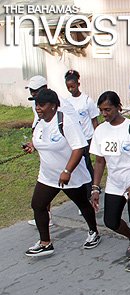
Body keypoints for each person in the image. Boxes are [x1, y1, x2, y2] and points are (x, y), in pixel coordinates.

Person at [23, 89, 100, 256]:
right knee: (37, 205)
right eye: (36, 105)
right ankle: (45, 243)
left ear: (53, 106)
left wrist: (67, 171)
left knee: (82, 203)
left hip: (70, 176)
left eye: (41, 105)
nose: (38, 108)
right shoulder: (39, 122)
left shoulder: (66, 122)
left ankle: (94, 231)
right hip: (48, 175)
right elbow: (42, 141)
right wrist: (32, 145)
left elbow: (79, 148)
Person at [90, 91, 130, 272]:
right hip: (114, 183)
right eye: (101, 110)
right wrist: (95, 188)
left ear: (119, 107)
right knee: (110, 221)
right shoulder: (100, 130)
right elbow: (100, 161)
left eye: (108, 109)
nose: (104, 114)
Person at [25, 75, 79, 226]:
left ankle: (91, 222)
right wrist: (35, 143)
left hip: (68, 153)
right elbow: (39, 125)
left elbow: (74, 130)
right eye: (31, 91)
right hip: (49, 154)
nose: (33, 95)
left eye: (35, 91)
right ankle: (45, 219)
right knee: (40, 198)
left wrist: (67, 170)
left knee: (79, 194)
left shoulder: (64, 105)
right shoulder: (36, 105)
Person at [64, 70, 99, 194]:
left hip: (87, 136)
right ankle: (87, 186)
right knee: (81, 163)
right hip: (76, 137)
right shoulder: (67, 102)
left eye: (72, 86)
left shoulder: (87, 100)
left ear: (78, 84)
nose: (71, 89)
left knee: (86, 162)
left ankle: (92, 187)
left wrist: (96, 136)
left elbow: (94, 120)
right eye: (68, 87)